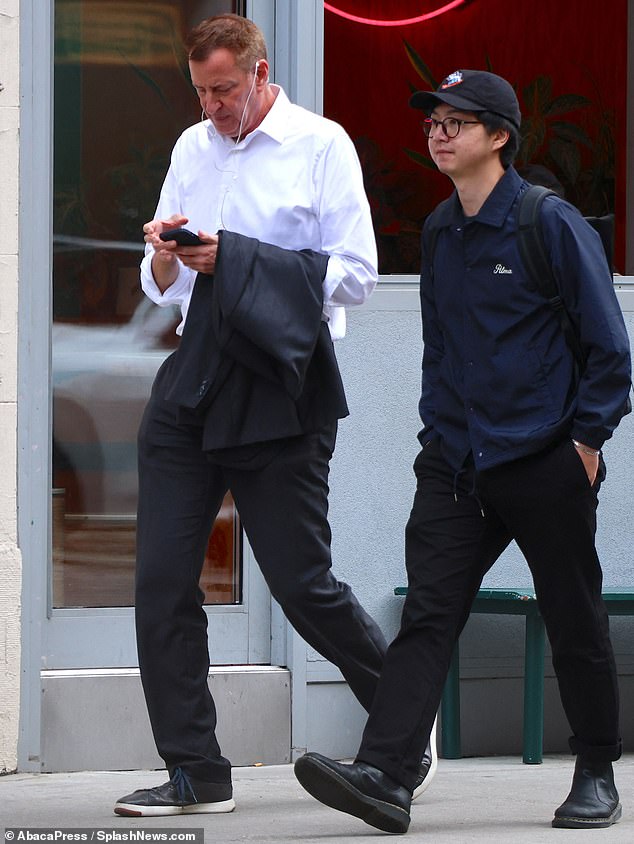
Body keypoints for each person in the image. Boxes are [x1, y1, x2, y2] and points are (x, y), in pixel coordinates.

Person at [113, 13, 436, 818]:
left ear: (260, 75)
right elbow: (165, 288)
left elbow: (358, 275)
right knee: (159, 581)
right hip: (193, 376)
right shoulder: (193, 148)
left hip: (281, 384)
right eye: (201, 92)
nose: (213, 107)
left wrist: (240, 258)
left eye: (224, 89)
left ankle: (403, 721)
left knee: (302, 584)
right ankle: (197, 769)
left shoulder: (321, 145)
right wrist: (164, 253)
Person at [294, 69, 631, 834]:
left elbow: (610, 350)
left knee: (572, 614)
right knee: (429, 614)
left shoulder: (550, 224)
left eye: (457, 121)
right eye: (433, 122)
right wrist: (435, 438)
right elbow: (441, 350)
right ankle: (386, 773)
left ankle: (595, 771)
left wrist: (583, 442)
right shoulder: (441, 230)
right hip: (456, 462)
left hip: (545, 457)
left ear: (500, 136)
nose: (438, 133)